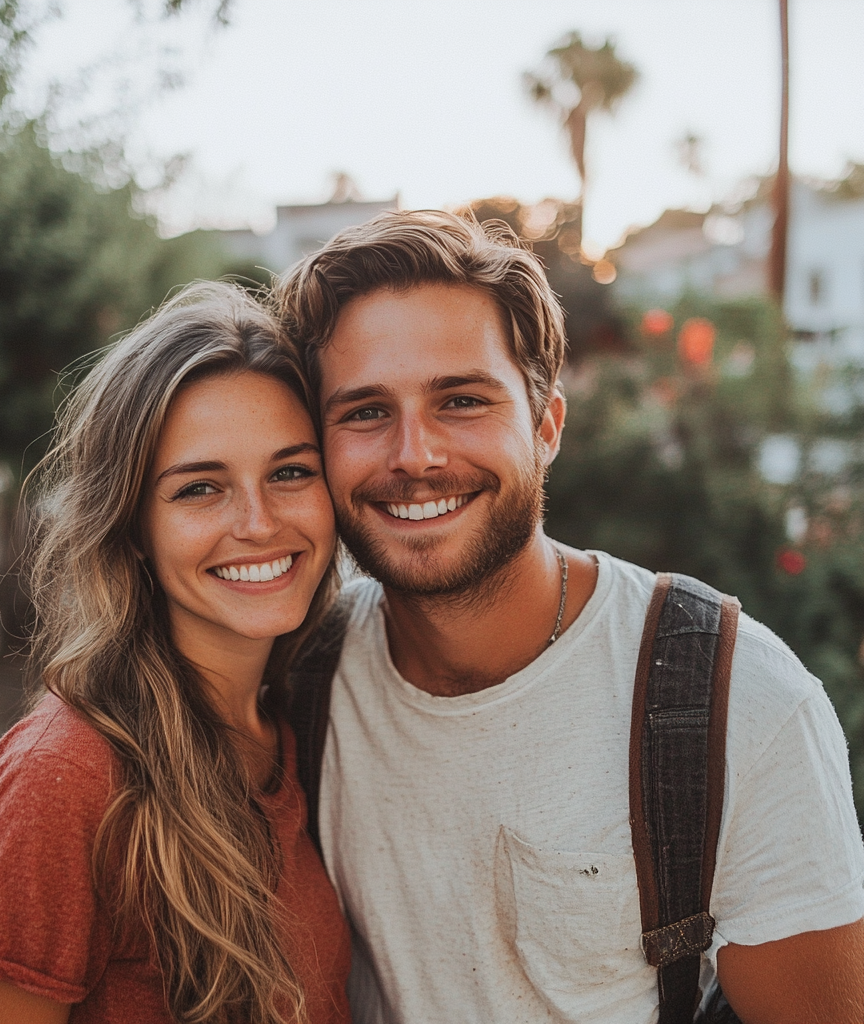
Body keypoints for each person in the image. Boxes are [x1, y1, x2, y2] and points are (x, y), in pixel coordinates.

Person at [274, 210, 864, 1024]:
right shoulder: (297, 677)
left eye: (462, 400)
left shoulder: (738, 701)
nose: (414, 455)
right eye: (365, 412)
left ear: (546, 426)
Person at [0, 283, 352, 1024]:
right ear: (130, 529)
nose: (258, 523)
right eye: (199, 488)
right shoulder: (64, 776)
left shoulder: (298, 723)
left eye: (290, 471)